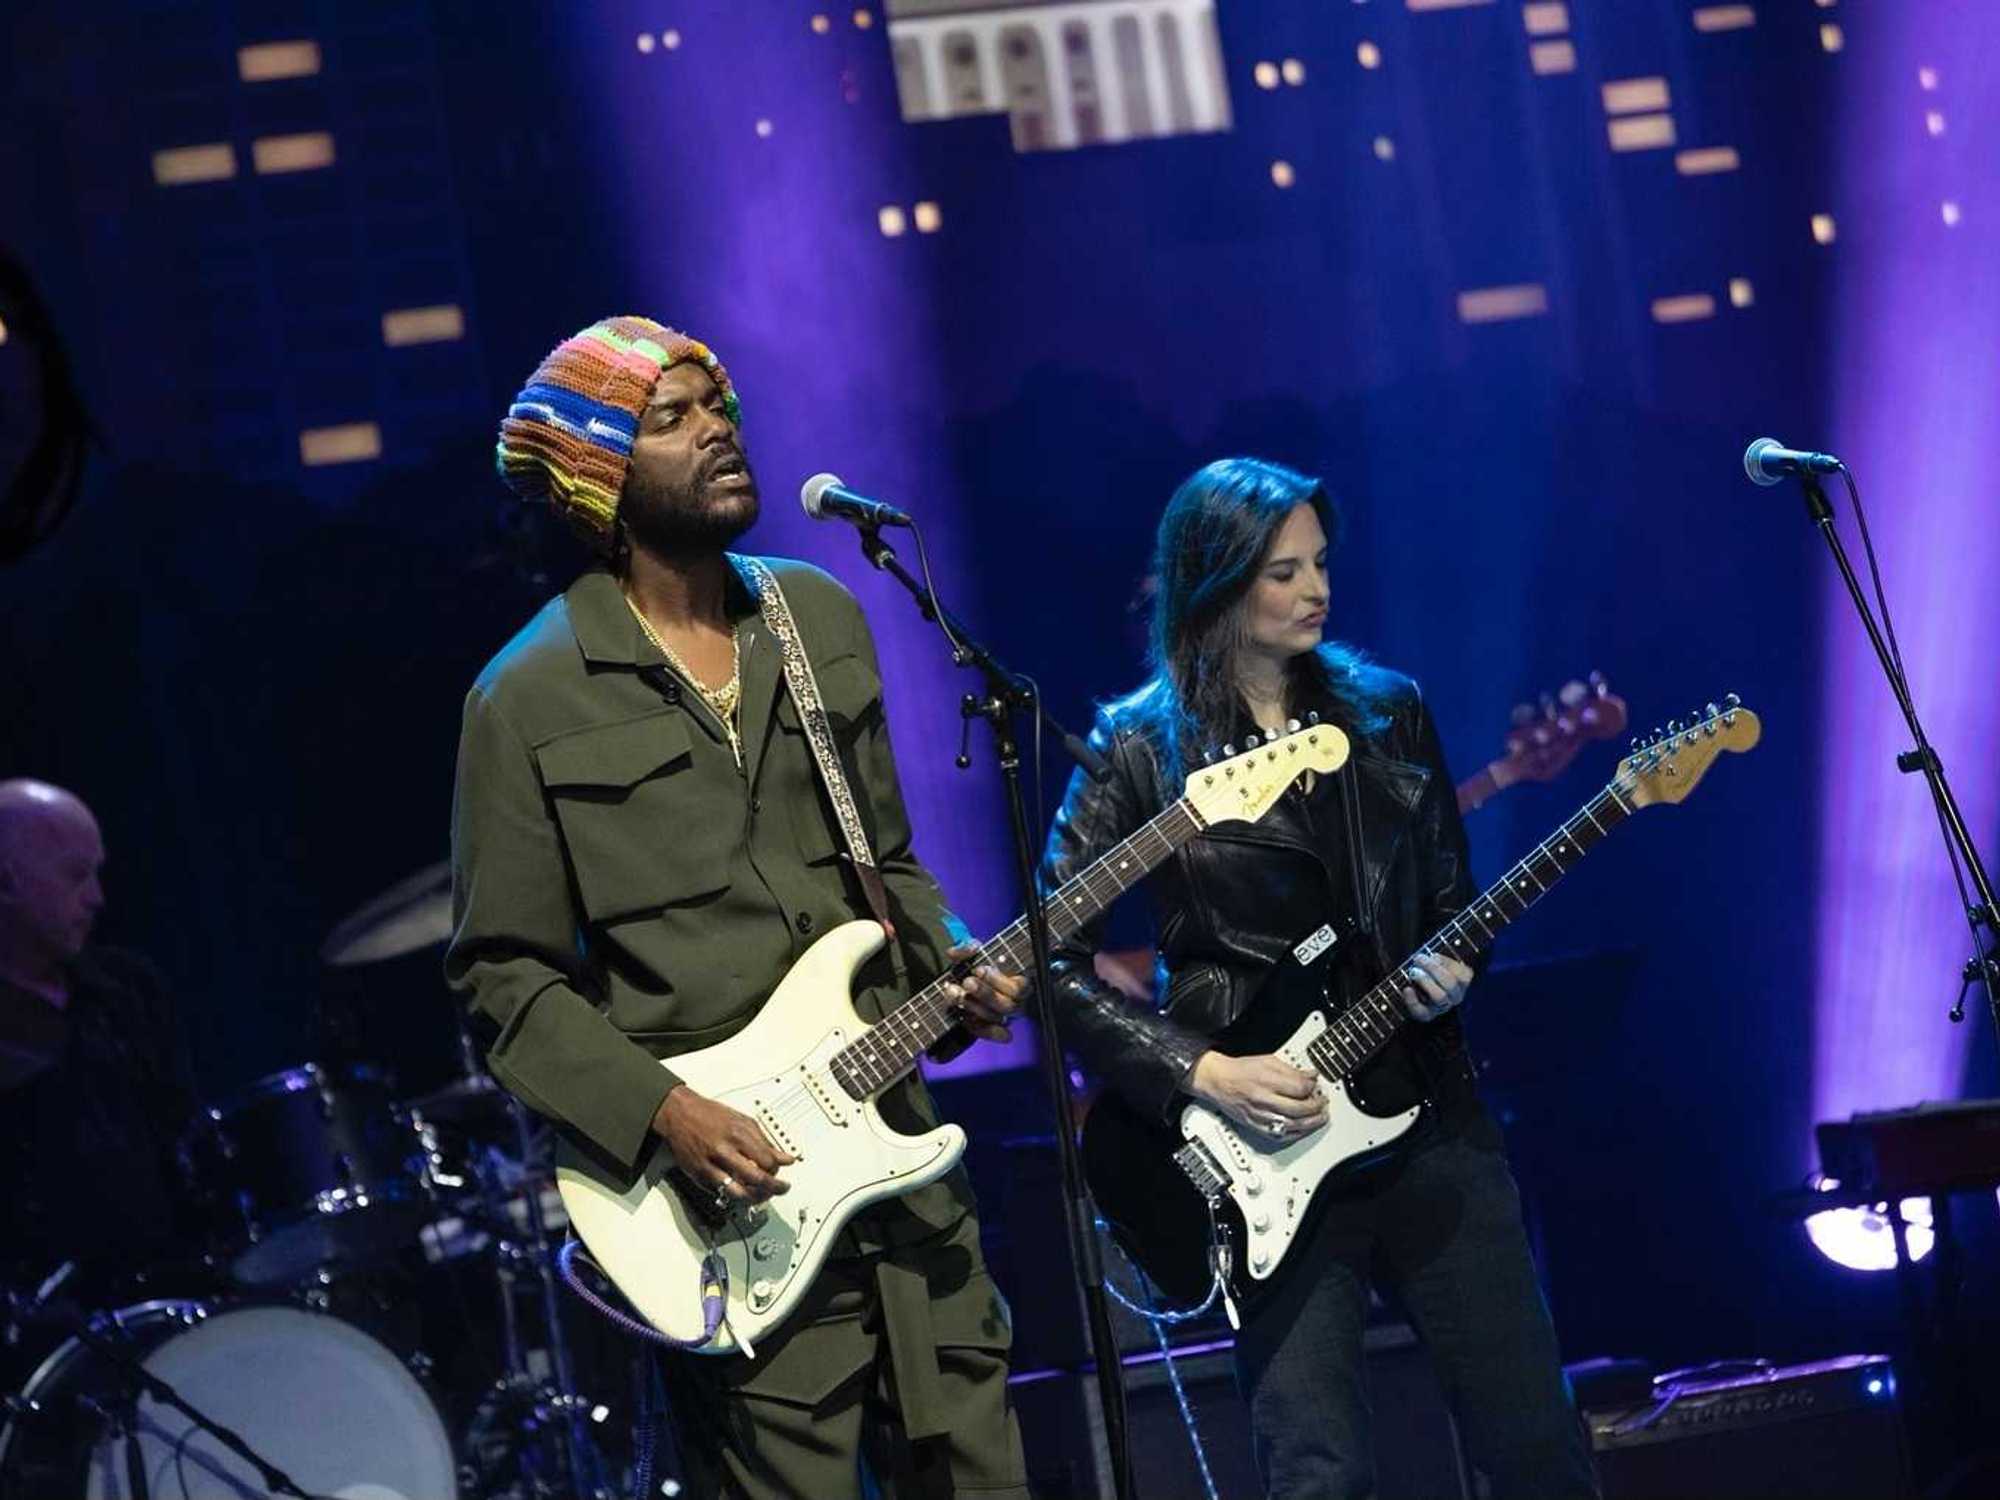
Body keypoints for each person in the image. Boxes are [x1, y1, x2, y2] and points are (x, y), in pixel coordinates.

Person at [447, 317, 1031, 1499]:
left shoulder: (814, 618)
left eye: (717, 404)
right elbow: (502, 981)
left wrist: (956, 967)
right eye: (670, 418)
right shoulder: (524, 698)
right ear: (599, 479)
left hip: (905, 1188)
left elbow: (894, 867)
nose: (716, 428)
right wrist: (664, 1114)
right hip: (736, 1212)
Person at [1040, 458, 1599, 1499]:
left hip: (1426, 1115)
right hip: (1266, 1146)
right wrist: (1201, 1071)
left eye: (1321, 565)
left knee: (1534, 1450)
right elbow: (1049, 963)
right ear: (1214, 582)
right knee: (1315, 1471)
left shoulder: (1388, 711)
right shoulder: (1133, 747)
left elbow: (1447, 898)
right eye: (1282, 571)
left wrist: (1455, 965)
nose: (1316, 591)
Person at [0, 779, 199, 1296]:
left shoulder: (129, 990)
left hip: (179, 1290)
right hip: (55, 1329)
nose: (97, 897)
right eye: (76, 876)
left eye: (98, 872)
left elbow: (188, 1141)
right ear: (5, 881)